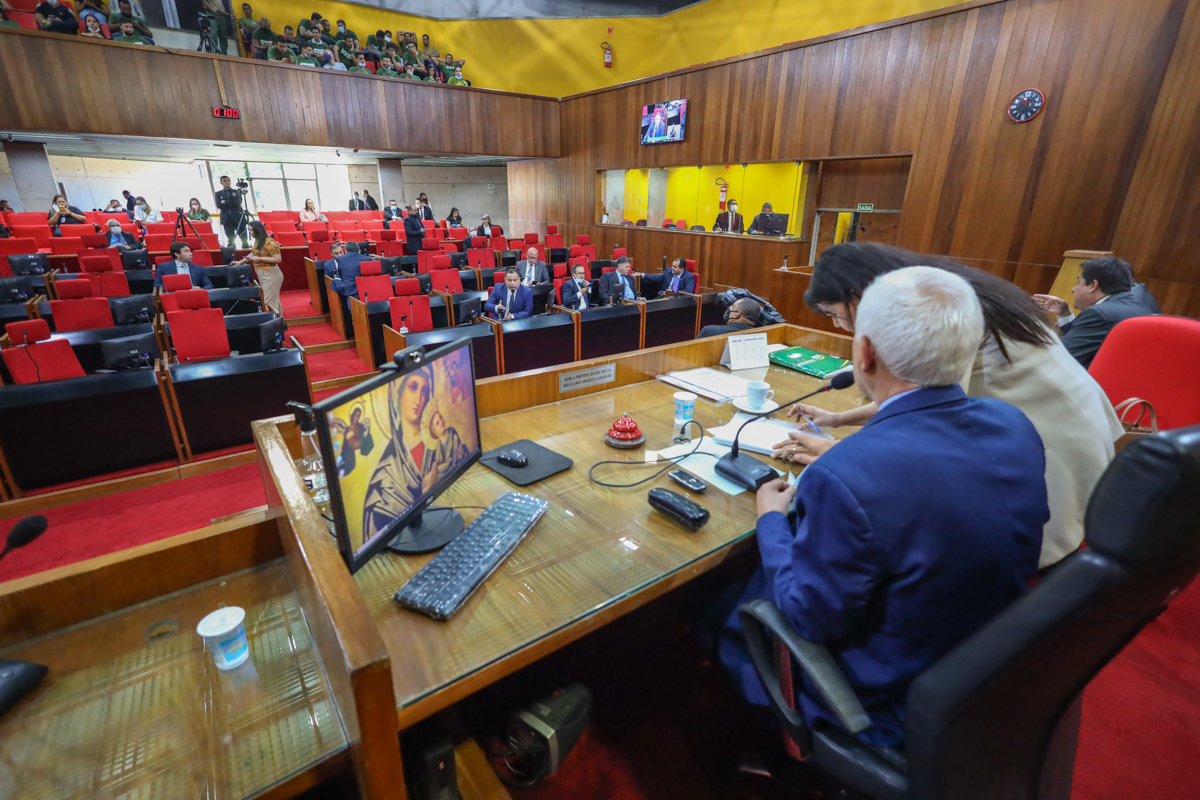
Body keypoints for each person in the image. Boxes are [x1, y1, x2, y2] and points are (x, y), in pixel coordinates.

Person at [711, 266, 1047, 750]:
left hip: (881, 701)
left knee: (718, 604)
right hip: (977, 667)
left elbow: (808, 617)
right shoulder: (1013, 424)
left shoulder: (846, 474)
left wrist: (769, 518)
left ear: (865, 353)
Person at [789, 243, 1123, 568]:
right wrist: (837, 418)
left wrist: (841, 457)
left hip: (1052, 462)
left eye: (835, 315)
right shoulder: (959, 293)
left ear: (857, 296)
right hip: (1073, 436)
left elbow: (923, 417)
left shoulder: (932, 316)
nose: (839, 326)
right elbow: (917, 397)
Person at [1033, 257, 1154, 369]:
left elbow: (1060, 359)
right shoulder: (1136, 304)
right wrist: (1065, 314)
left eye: (1078, 282)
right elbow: (1086, 338)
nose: (1073, 289)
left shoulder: (1098, 314)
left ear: (1093, 285)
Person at [361, 365, 436, 539]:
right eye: (412, 388)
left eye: (424, 391)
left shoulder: (432, 446)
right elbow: (376, 532)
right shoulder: (385, 474)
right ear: (399, 395)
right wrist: (424, 495)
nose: (419, 398)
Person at [231, 221, 282, 314]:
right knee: (273, 301)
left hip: (271, 274)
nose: (249, 232)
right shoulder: (258, 241)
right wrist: (240, 262)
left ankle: (275, 325)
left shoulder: (269, 242)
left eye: (251, 230)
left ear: (257, 230)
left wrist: (259, 259)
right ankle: (280, 324)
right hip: (262, 273)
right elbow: (253, 253)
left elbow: (278, 259)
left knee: (269, 302)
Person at [420, 401, 468, 476]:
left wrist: (435, 471)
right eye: (437, 423)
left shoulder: (451, 432)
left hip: (462, 465)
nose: (441, 421)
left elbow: (451, 462)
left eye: (441, 417)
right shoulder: (438, 446)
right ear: (434, 432)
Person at [215, 175, 249, 248]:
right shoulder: (218, 194)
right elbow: (219, 205)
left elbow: (237, 203)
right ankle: (231, 254)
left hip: (238, 216)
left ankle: (246, 251)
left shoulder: (237, 192)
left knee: (244, 237)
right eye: (224, 181)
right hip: (226, 218)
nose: (227, 182)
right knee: (230, 239)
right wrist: (230, 203)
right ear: (221, 182)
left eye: (228, 180)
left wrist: (225, 202)